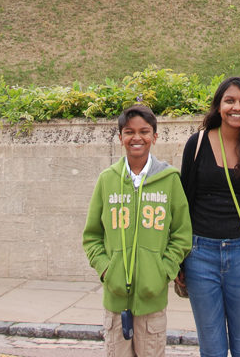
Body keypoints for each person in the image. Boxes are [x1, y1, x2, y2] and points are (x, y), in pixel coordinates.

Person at [178, 76, 240, 357]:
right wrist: (179, 262)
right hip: (200, 257)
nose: (237, 107)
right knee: (212, 349)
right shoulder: (196, 144)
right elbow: (183, 206)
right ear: (218, 106)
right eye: (230, 100)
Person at [83, 104, 192, 357]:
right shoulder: (107, 180)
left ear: (154, 136)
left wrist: (164, 271)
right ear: (120, 137)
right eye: (129, 131)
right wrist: (106, 269)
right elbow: (91, 236)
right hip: (115, 303)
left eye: (144, 131)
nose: (136, 137)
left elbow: (182, 234)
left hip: (152, 302)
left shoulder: (170, 180)